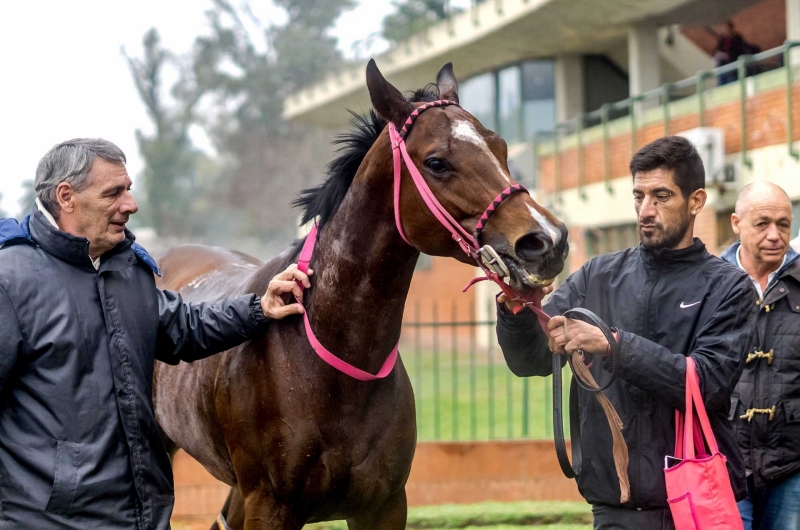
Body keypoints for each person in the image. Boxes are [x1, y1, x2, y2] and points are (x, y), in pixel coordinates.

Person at [0, 138, 310, 529]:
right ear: (66, 196)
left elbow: (184, 327)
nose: (130, 205)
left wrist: (258, 307)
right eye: (114, 193)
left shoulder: (125, 270)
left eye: (128, 189)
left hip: (141, 515)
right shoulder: (10, 281)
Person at [495, 136, 757, 529]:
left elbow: (707, 383)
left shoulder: (728, 287)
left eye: (661, 196)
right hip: (612, 507)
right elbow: (530, 360)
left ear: (696, 201)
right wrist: (517, 311)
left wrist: (611, 344)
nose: (645, 211)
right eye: (639, 196)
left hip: (692, 505)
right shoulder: (597, 275)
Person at [721, 182, 800, 530]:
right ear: (736, 223)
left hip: (793, 464)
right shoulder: (709, 284)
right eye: (762, 223)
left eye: (783, 224)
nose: (775, 235)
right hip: (724, 460)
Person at [707, 21, 746, 86]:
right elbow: (718, 49)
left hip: (732, 63)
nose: (726, 30)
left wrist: (729, 56)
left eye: (727, 28)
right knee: (722, 82)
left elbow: (739, 50)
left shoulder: (737, 38)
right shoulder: (722, 38)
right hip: (722, 64)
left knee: (731, 83)